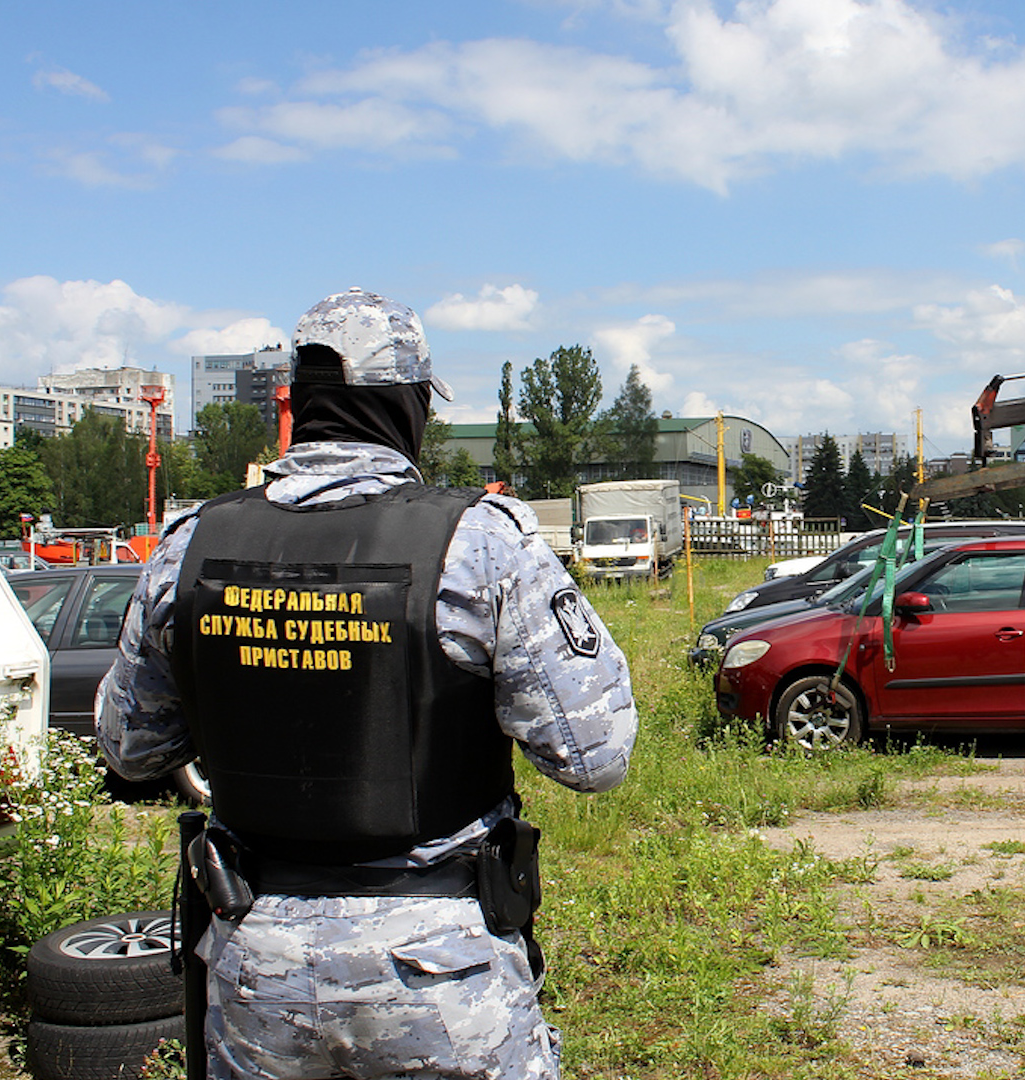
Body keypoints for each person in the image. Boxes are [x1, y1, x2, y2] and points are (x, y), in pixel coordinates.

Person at [96, 287, 637, 1080]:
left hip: (257, 969)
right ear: (407, 405)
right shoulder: (481, 543)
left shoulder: (191, 546)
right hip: (440, 969)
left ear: (306, 402)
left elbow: (131, 748)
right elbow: (595, 756)